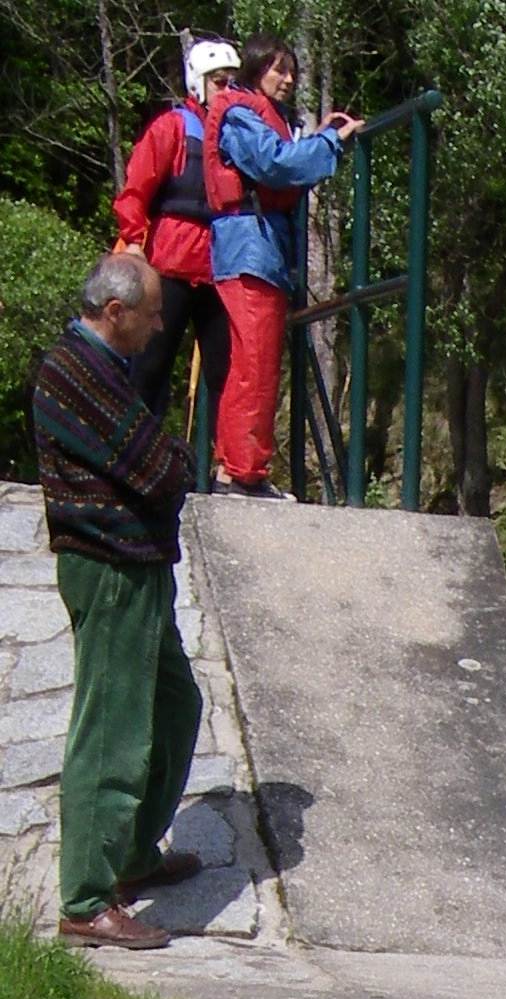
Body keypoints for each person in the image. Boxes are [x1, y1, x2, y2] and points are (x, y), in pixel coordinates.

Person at [31, 253, 202, 951]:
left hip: (139, 566)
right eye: (153, 314)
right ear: (115, 312)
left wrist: (172, 463)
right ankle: (86, 898)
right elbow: (162, 470)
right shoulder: (72, 373)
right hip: (108, 569)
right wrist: (176, 463)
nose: (161, 326)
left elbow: (159, 464)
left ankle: (131, 851)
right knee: (111, 734)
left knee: (176, 707)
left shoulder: (107, 369)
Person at [204, 33, 360, 497]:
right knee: (255, 363)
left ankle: (235, 468)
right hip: (249, 248)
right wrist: (329, 142)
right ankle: (242, 472)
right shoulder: (239, 114)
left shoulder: (256, 115)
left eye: (292, 71)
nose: (289, 79)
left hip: (259, 249)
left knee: (252, 362)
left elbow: (283, 156)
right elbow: (274, 165)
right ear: (256, 70)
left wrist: (314, 139)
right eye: (279, 69)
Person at [111, 36, 239, 437]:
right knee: (150, 368)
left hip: (219, 269)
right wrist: (134, 242)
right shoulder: (172, 128)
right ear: (198, 83)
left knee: (224, 373)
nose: (228, 91)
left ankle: (225, 462)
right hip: (170, 267)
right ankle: (132, 451)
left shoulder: (236, 136)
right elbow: (135, 192)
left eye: (232, 82)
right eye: (220, 82)